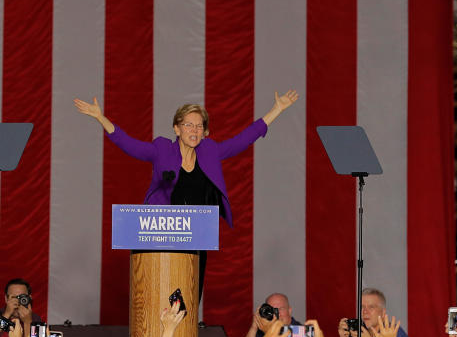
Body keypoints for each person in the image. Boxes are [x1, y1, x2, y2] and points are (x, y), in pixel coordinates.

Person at [74, 90, 299, 298]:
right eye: (188, 125)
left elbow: (244, 139)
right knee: (163, 297)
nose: (194, 130)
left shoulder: (210, 151)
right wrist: (100, 118)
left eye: (199, 126)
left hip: (196, 238)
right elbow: (130, 145)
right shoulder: (162, 149)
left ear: (205, 131)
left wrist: (277, 109)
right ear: (177, 128)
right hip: (163, 237)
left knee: (189, 300)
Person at [337, 288, 410, 337]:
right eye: (362, 307)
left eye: (371, 307)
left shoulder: (395, 333)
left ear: (383, 313)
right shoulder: (356, 334)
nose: (365, 311)